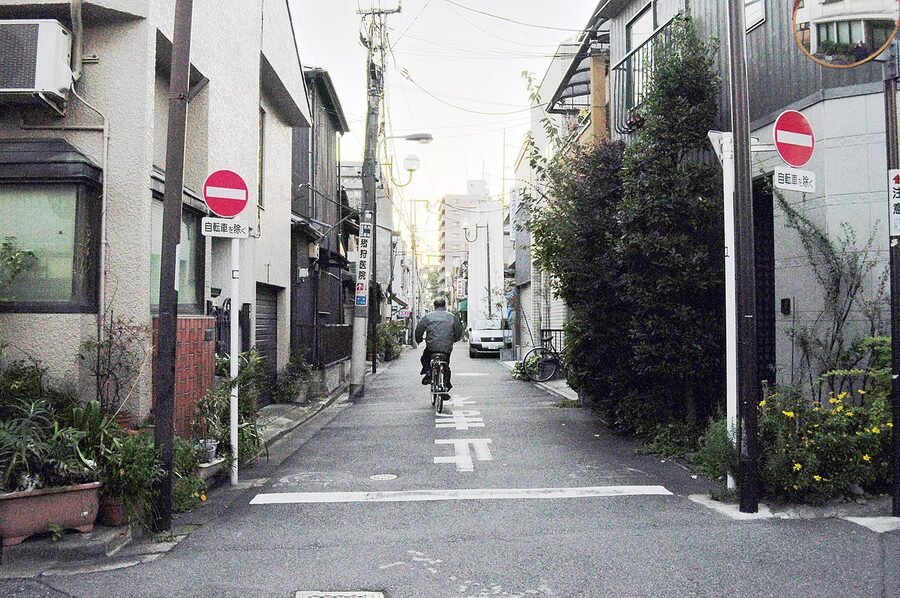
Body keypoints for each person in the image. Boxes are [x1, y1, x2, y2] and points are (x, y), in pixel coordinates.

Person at [414, 297, 463, 388]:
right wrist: (454, 339)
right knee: (446, 363)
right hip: (446, 347)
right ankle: (446, 383)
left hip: (431, 347)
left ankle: (428, 372)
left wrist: (419, 340)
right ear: (444, 305)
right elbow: (458, 331)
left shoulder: (428, 317)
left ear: (434, 305)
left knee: (424, 359)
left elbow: (419, 330)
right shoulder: (452, 317)